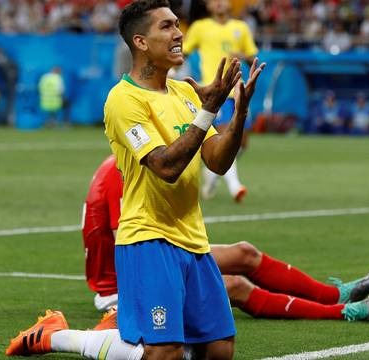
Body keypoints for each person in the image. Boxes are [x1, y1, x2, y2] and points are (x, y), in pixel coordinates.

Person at [3, 155, 369, 357]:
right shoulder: (126, 169)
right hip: (125, 281)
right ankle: (342, 311)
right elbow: (131, 242)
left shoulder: (131, 161)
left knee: (244, 254)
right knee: (233, 286)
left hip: (157, 253)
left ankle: (332, 294)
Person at [97, 0, 261, 358]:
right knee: (165, 350)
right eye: (167, 27)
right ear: (141, 42)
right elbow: (165, 167)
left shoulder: (185, 93)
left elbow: (216, 161)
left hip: (194, 239)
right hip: (148, 239)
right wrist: (208, 110)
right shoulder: (123, 100)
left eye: (177, 25)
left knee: (219, 348)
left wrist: (240, 113)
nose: (178, 33)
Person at [183, 0, 259, 202]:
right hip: (215, 91)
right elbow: (183, 52)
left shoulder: (240, 28)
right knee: (227, 135)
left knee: (242, 143)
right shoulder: (200, 27)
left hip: (238, 91)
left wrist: (242, 55)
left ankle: (213, 174)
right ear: (208, 6)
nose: (218, 3)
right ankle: (235, 186)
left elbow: (253, 58)